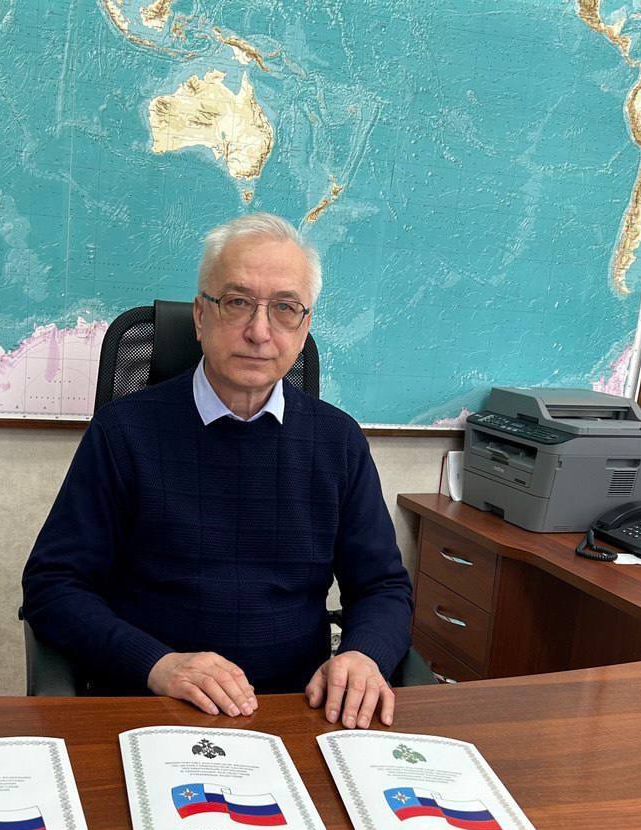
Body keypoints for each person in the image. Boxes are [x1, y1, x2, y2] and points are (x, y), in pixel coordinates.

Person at [22, 213, 412, 728]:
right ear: (201, 316)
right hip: (151, 707)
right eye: (237, 302)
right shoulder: (124, 433)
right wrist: (156, 664)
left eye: (285, 308)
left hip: (295, 709)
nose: (259, 332)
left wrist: (363, 655)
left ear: (304, 328)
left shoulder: (338, 441)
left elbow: (383, 587)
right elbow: (53, 586)